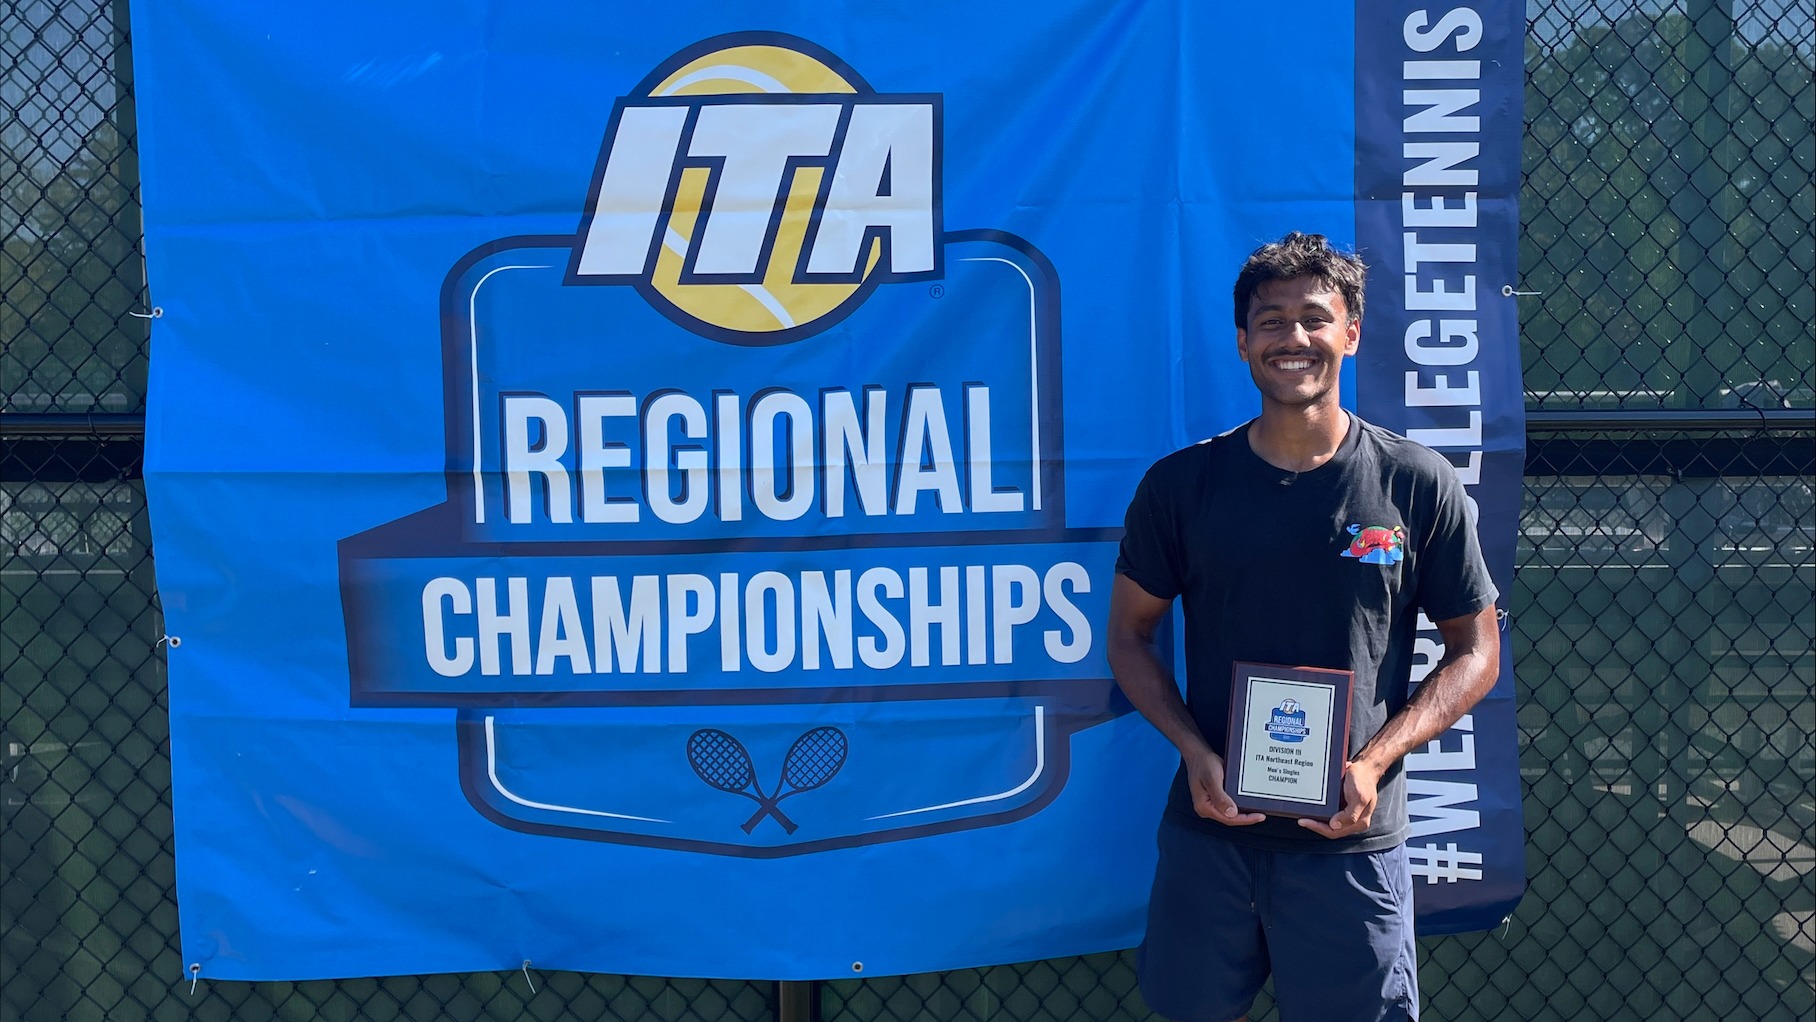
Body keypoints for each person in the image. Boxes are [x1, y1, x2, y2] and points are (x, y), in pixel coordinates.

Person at [1106, 232, 1501, 1022]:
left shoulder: (1415, 483)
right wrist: (1195, 753)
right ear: (1244, 341)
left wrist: (1376, 761)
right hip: (1210, 837)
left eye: (1315, 318)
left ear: (1351, 332)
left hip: (1349, 845)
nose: (1295, 338)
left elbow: (1477, 651)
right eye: (1272, 320)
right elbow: (1128, 637)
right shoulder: (1183, 487)